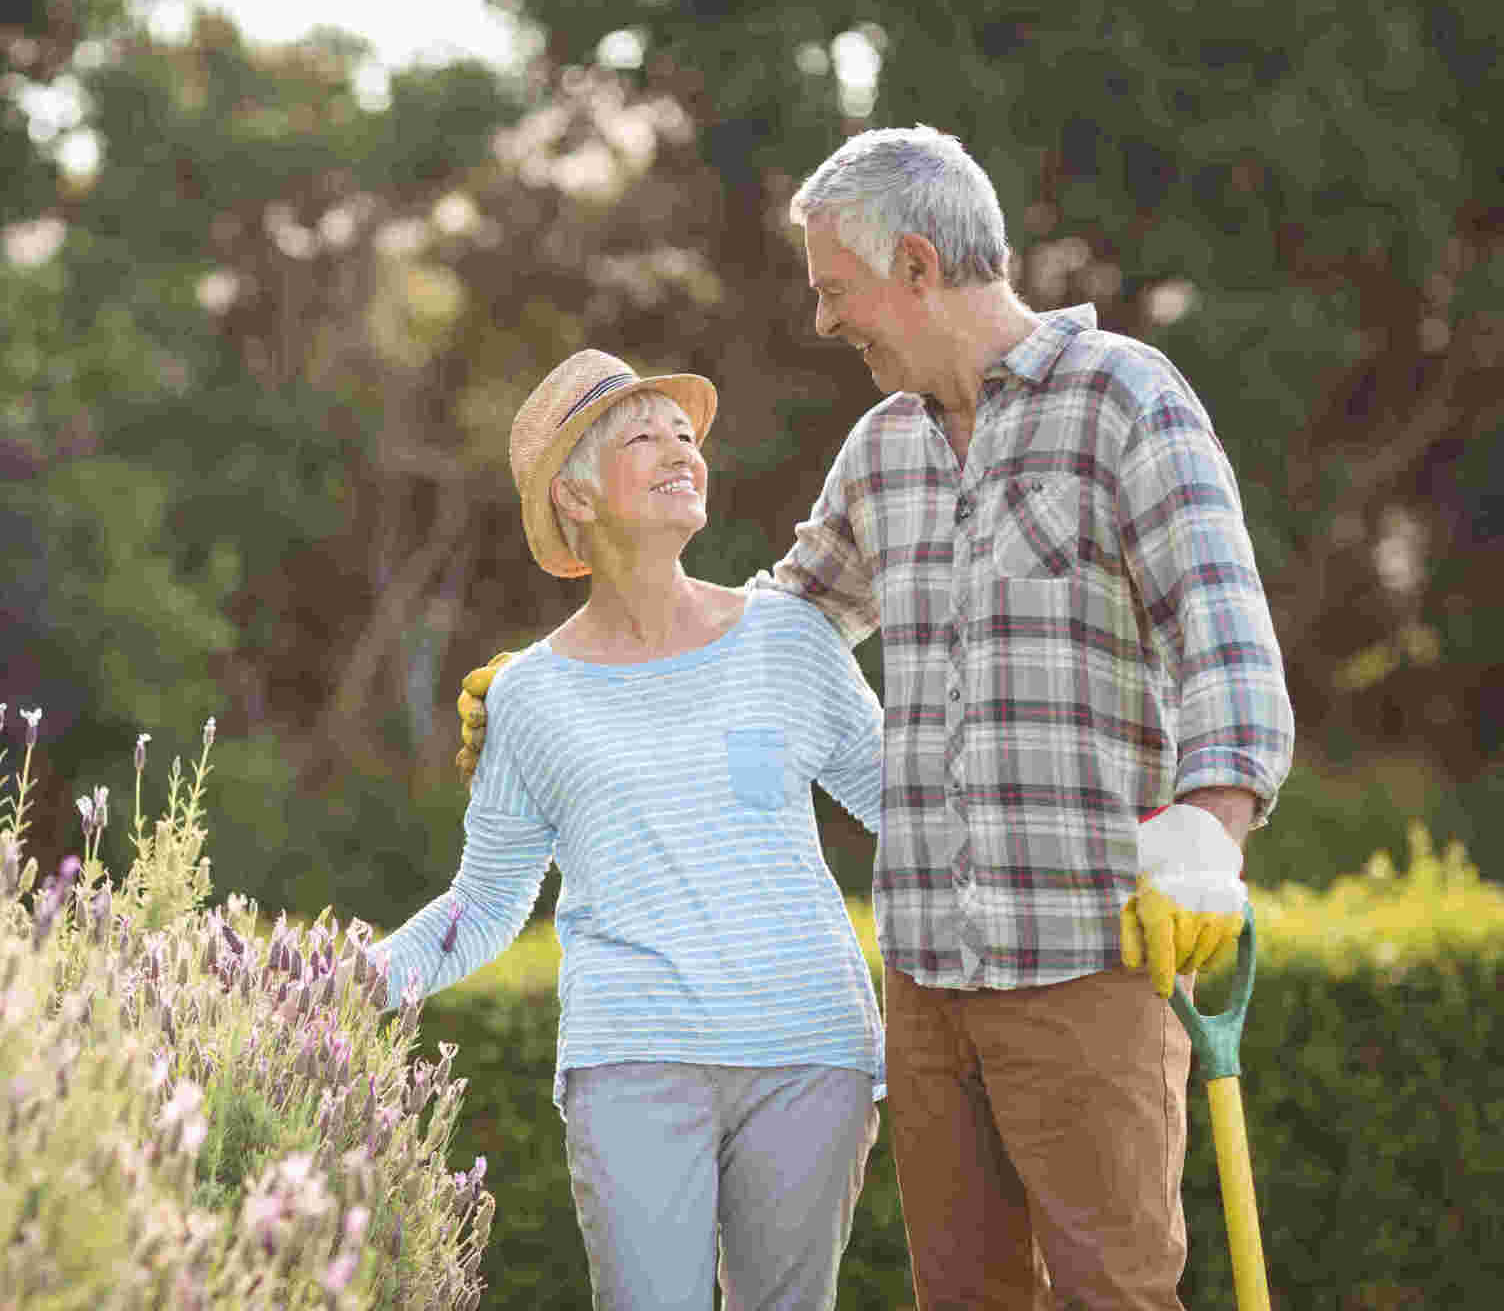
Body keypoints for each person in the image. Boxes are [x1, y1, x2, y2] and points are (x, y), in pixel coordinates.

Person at [458, 126, 1295, 1309]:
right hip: (929, 982)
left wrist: (1212, 830)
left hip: (1083, 960)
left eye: (833, 289)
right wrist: (574, 672)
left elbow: (1227, 644)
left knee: (1114, 1291)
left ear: (914, 266)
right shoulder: (884, 450)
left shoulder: (1125, 401)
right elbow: (771, 622)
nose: (822, 321)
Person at [373, 348, 888, 1311]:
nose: (680, 451)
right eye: (642, 437)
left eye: (687, 436)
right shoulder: (528, 695)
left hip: (810, 1051)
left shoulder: (789, 637)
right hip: (633, 1058)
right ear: (575, 498)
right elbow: (485, 903)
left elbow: (913, 807)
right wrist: (350, 984)